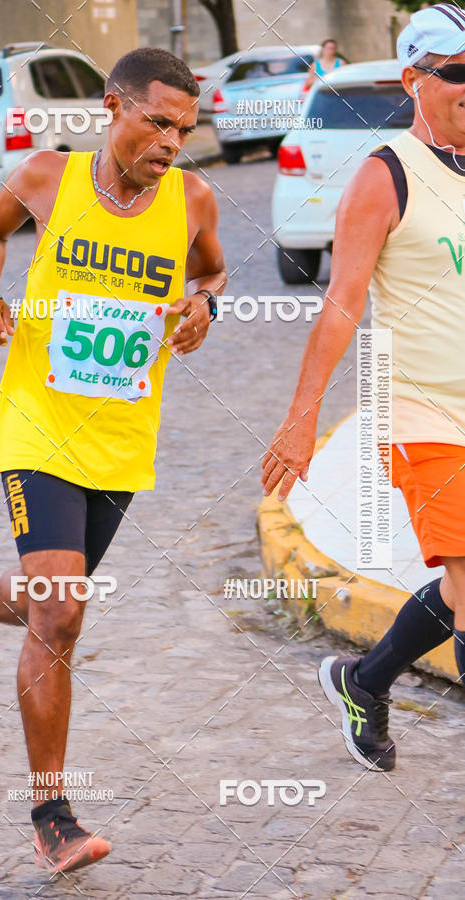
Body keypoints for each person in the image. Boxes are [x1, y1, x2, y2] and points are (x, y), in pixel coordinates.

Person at [0, 47, 226, 874]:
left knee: (43, 599)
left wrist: (206, 304)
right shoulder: (47, 178)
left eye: (185, 128)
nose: (172, 141)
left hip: (123, 439)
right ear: (113, 107)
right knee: (63, 611)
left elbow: (209, 270)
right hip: (36, 422)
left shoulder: (193, 198)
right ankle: (52, 814)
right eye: (157, 122)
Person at [261, 3, 465, 773]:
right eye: (458, 74)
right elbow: (342, 303)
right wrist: (300, 417)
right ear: (415, 81)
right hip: (421, 416)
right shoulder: (386, 175)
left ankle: (364, 678)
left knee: (456, 585)